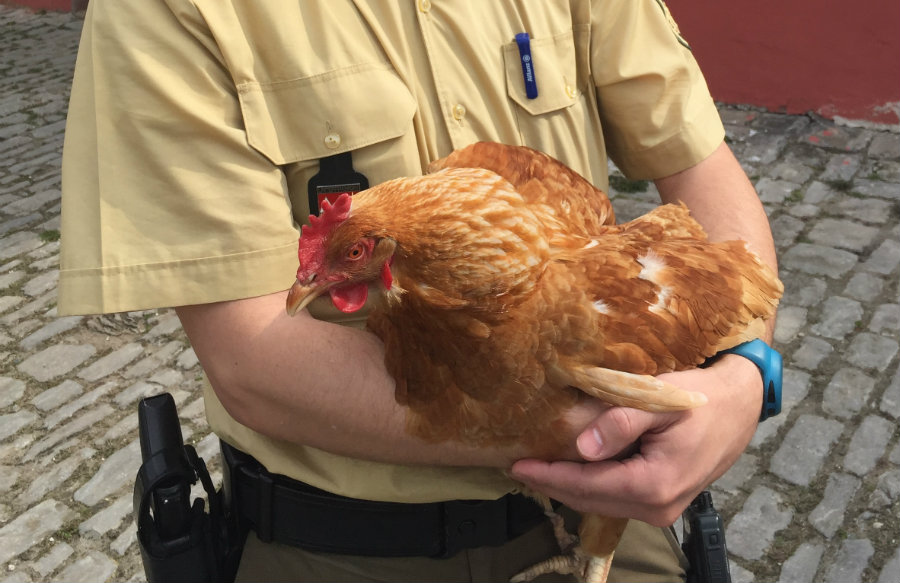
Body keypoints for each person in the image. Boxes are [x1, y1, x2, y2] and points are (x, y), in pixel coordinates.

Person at [59, 1, 778, 582]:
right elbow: (254, 362)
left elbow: (702, 172)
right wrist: (591, 427)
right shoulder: (167, 11)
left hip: (598, 526)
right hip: (341, 544)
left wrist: (748, 373)